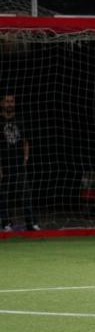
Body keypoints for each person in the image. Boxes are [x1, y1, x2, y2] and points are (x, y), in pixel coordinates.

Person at [0, 94, 39, 231]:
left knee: (25, 194)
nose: (9, 104)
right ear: (2, 103)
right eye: (7, 101)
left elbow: (25, 141)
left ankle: (31, 223)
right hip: (4, 165)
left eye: (12, 101)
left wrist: (26, 158)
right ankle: (6, 223)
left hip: (19, 164)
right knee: (4, 195)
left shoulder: (21, 120)